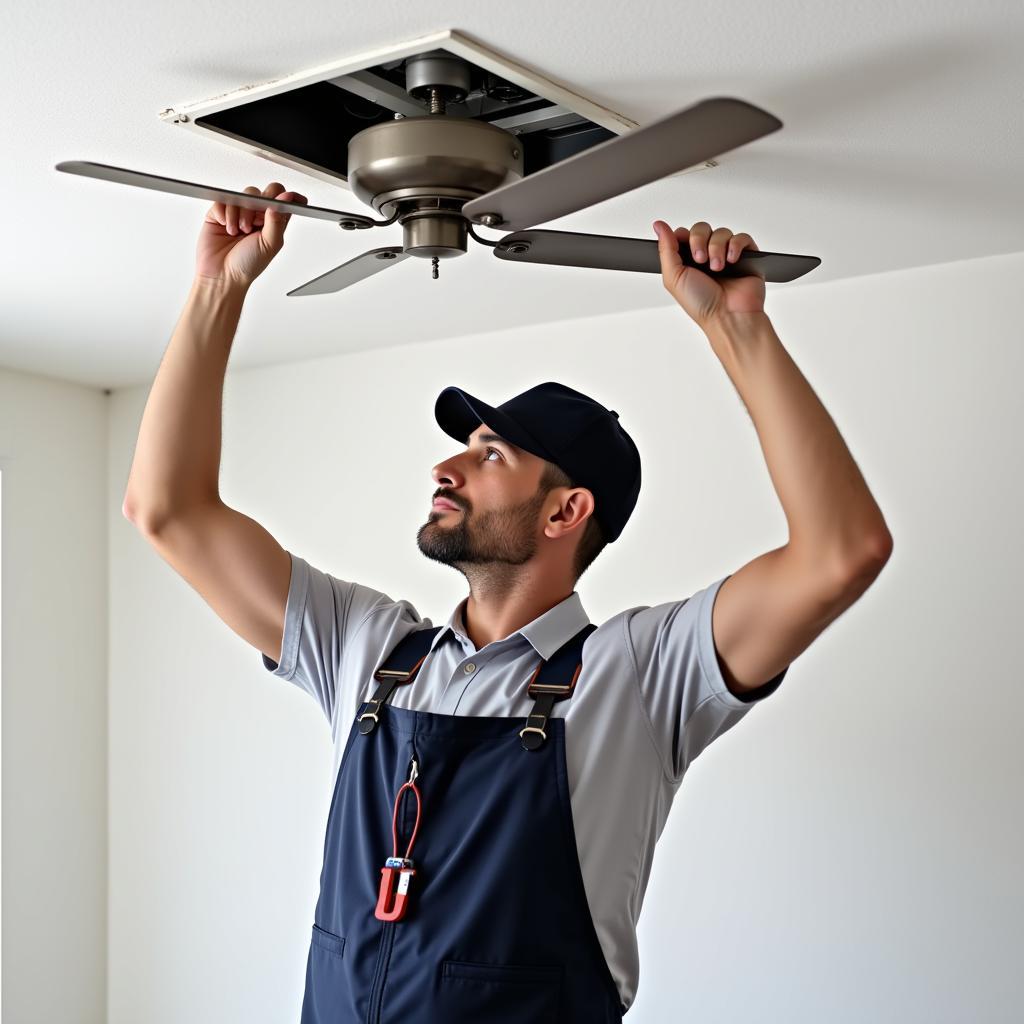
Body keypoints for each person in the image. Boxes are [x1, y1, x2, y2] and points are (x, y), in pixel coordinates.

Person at [123, 182, 893, 1022]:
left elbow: (840, 551)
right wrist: (217, 290)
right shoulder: (368, 646)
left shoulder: (639, 675)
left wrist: (738, 329)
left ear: (567, 510)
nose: (444, 470)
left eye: (490, 455)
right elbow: (168, 510)